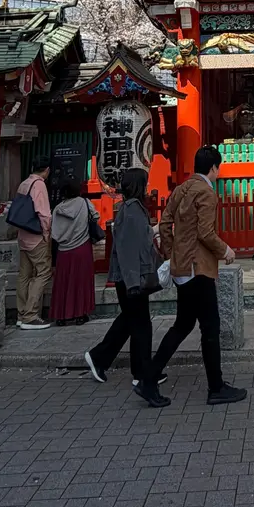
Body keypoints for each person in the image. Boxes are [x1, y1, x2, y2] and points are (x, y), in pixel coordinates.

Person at [147, 145, 247, 406]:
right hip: (198, 267)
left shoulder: (181, 189)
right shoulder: (206, 192)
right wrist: (225, 249)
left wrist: (172, 252)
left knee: (183, 324)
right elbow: (205, 232)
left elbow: (165, 223)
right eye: (218, 168)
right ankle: (215, 387)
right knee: (210, 327)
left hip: (182, 267)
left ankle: (149, 378)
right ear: (214, 168)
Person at [84, 168, 169, 404]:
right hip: (132, 277)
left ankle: (103, 359)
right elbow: (129, 250)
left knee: (131, 322)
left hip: (130, 276)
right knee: (140, 324)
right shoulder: (132, 212)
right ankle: (137, 372)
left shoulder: (131, 210)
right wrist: (134, 282)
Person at [49, 178, 103, 324]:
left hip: (63, 249)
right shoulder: (84, 203)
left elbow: (53, 232)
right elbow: (96, 216)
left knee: (63, 283)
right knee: (81, 282)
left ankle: (61, 315)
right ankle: (80, 313)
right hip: (82, 247)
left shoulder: (57, 209)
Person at [14, 162, 53, 329]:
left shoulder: (24, 183)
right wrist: (47, 234)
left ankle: (21, 313)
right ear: (47, 170)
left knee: (24, 275)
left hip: (23, 235)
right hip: (36, 237)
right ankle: (31, 315)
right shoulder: (39, 185)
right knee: (43, 272)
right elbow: (43, 213)